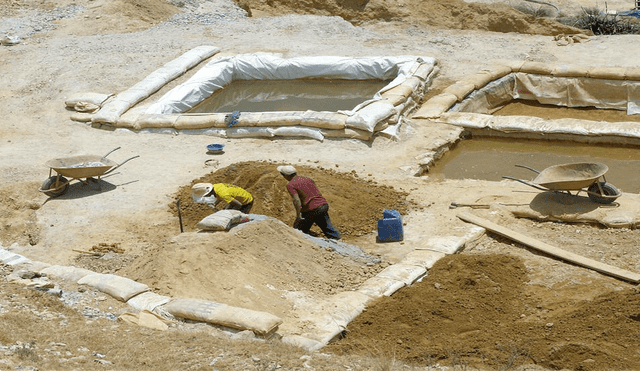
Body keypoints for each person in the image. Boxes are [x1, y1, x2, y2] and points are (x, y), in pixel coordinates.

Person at [277, 165, 341, 240]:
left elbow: (296, 200)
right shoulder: (308, 179)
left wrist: (298, 214)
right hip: (323, 205)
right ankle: (338, 239)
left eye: (282, 174)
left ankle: (300, 242)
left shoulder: (291, 185)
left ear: (287, 176)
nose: (283, 177)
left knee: (297, 229)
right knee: (326, 225)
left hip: (311, 209)